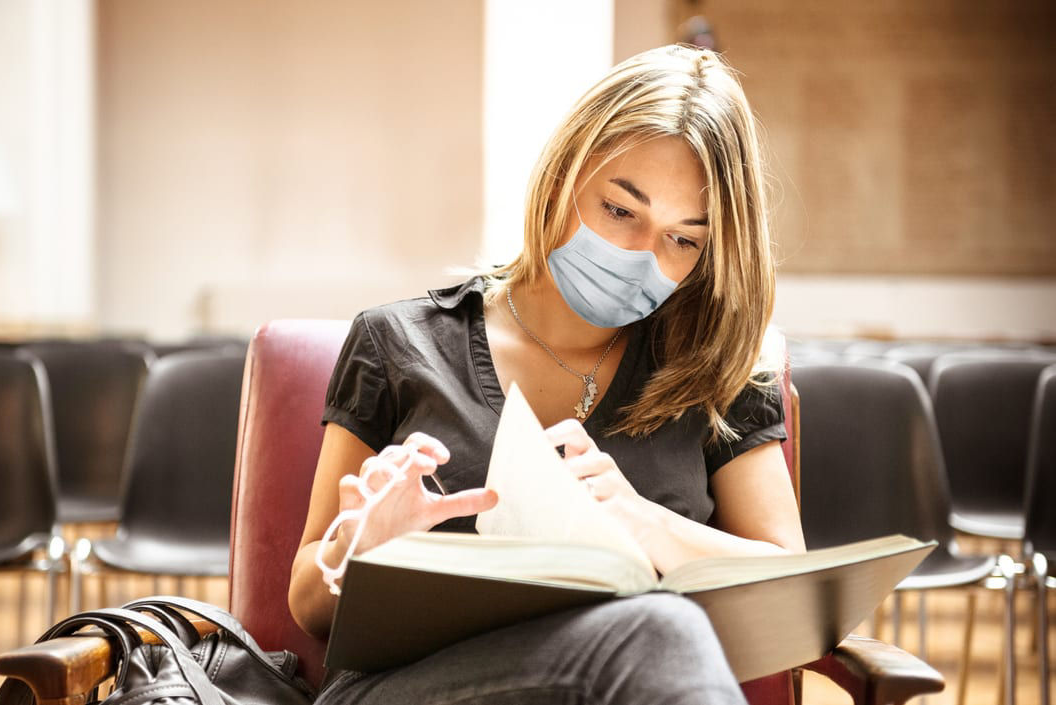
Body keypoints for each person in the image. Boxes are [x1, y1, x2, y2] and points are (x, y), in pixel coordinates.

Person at [288, 44, 806, 705]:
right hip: (406, 689)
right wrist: (358, 552)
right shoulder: (397, 343)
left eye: (683, 239)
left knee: (654, 632)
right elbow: (306, 603)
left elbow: (787, 584)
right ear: (563, 174)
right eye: (620, 209)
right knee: (657, 630)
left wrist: (648, 525)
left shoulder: (718, 370)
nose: (640, 254)